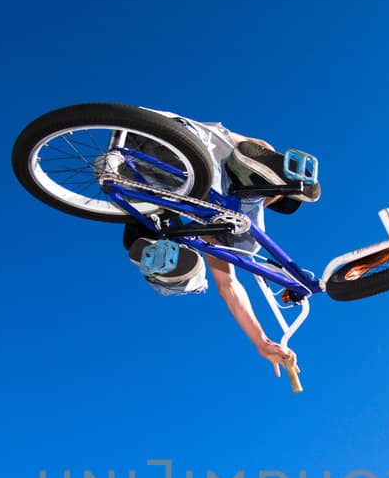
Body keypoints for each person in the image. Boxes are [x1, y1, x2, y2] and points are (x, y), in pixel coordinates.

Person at [123, 111, 319, 375]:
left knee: (164, 228)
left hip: (134, 157)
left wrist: (261, 341)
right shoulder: (246, 149)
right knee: (247, 242)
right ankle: (250, 181)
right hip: (185, 151)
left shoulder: (214, 219)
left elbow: (228, 285)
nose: (266, 204)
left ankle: (155, 250)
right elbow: (228, 287)